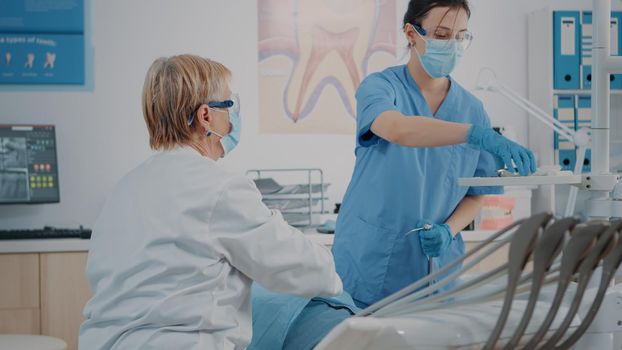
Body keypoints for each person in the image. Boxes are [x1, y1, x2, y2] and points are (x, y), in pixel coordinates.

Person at [79, 55, 342, 350]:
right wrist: (329, 267)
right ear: (206, 116)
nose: (234, 118)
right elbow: (305, 270)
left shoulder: (123, 190)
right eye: (231, 106)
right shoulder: (220, 188)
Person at [332, 0, 537, 309]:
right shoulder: (381, 88)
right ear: (411, 33)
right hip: (370, 260)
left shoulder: (472, 109)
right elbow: (398, 128)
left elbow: (476, 194)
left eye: (460, 35)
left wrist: (448, 230)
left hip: (438, 268)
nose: (452, 45)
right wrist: (472, 134)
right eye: (441, 34)